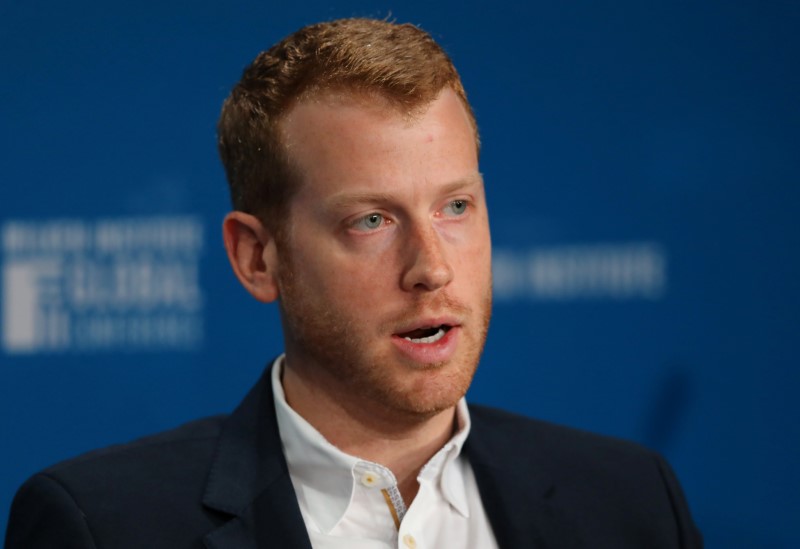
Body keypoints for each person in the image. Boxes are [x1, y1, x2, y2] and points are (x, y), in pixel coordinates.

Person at [5, 18, 702, 548]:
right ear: (256, 257)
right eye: (371, 219)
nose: (431, 266)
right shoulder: (103, 525)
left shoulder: (632, 501)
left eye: (455, 207)